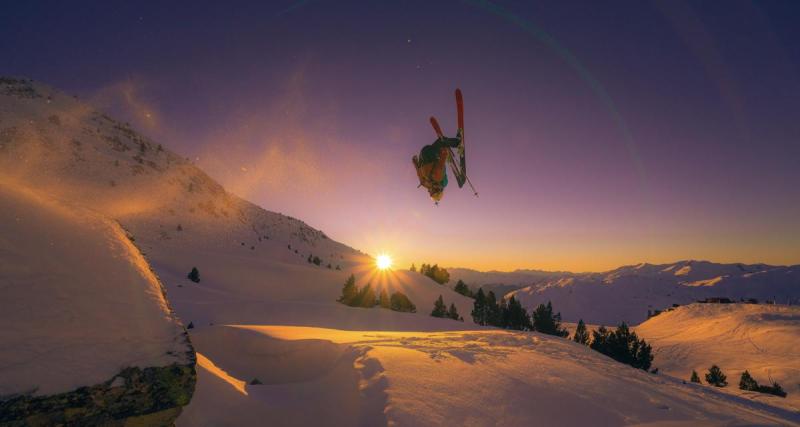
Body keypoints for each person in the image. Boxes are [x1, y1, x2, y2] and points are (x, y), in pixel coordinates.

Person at [412, 129, 464, 202]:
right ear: (437, 190)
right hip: (427, 155)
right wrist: (444, 155)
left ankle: (455, 144)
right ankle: (456, 143)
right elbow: (439, 167)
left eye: (430, 193)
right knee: (441, 142)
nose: (429, 192)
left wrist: (415, 164)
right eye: (431, 192)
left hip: (428, 155)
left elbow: (419, 174)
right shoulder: (433, 180)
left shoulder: (428, 183)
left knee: (441, 143)